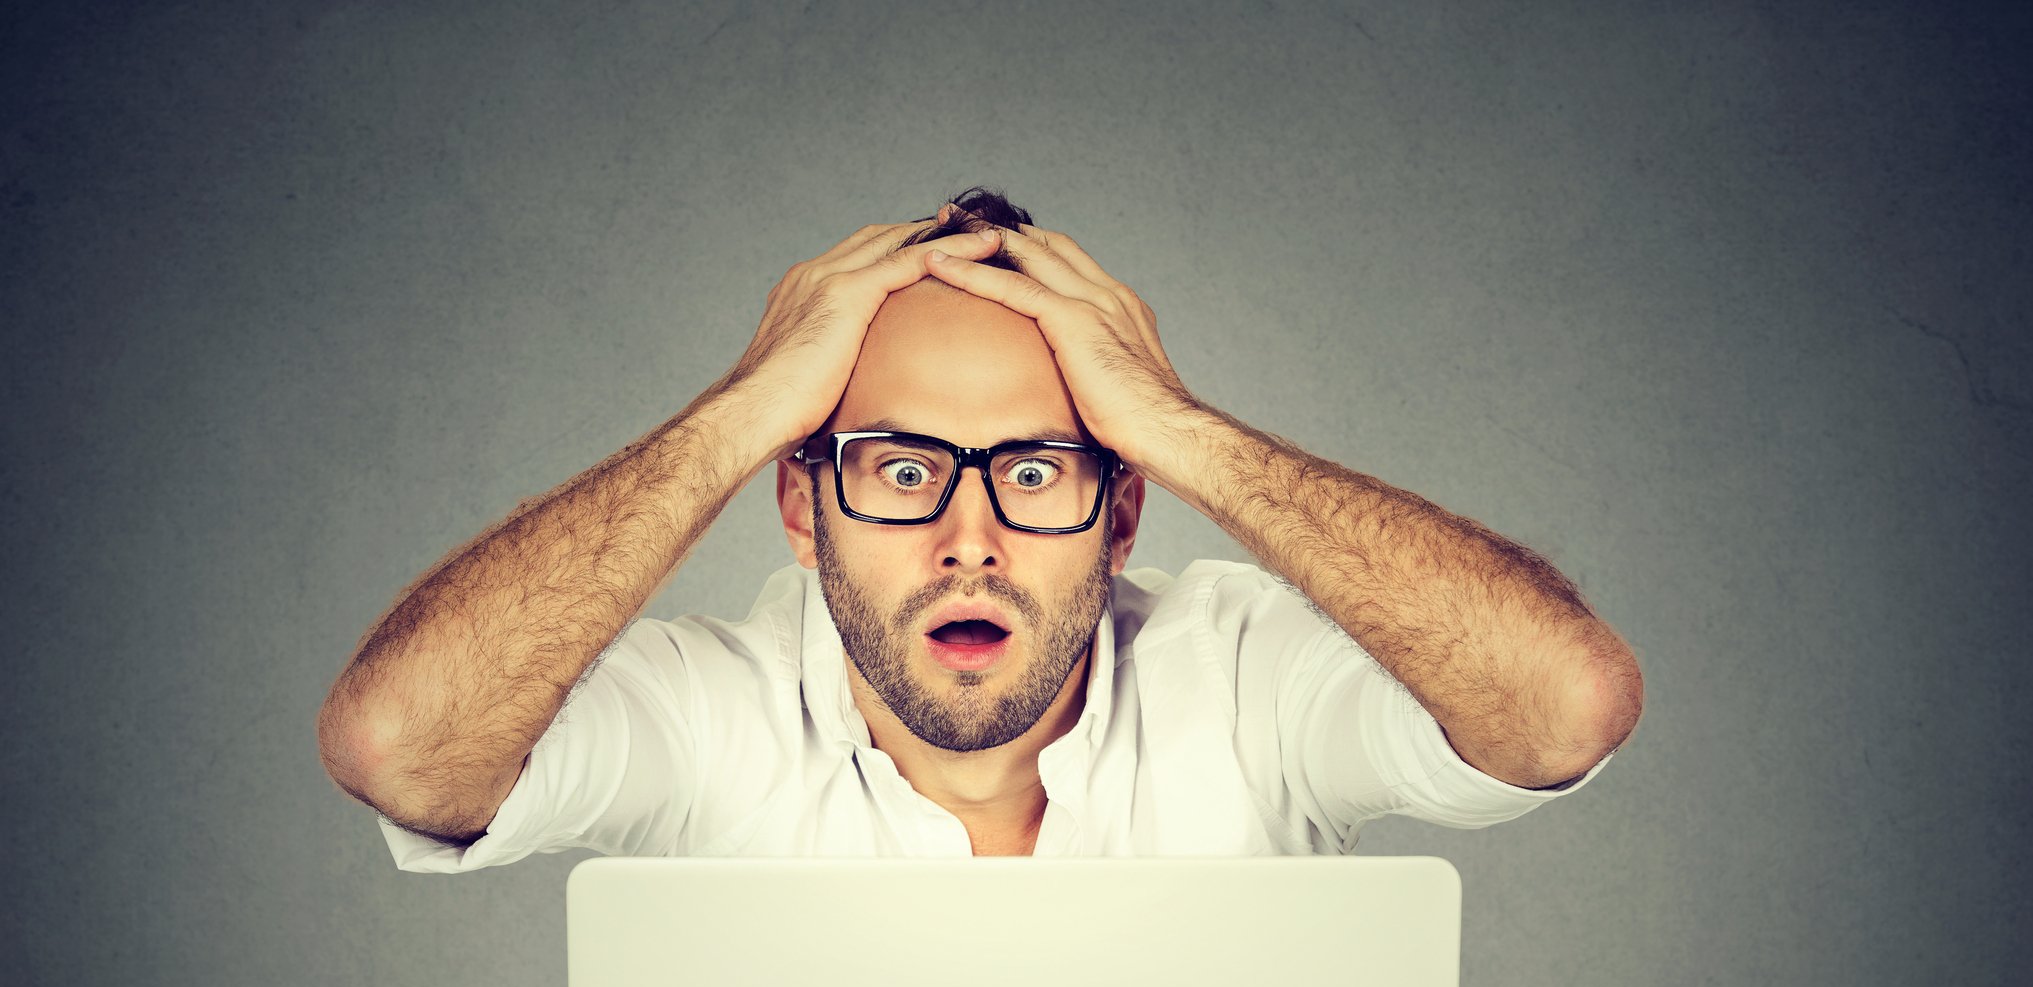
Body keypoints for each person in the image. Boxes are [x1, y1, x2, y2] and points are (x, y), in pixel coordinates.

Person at [316, 188, 1643, 868]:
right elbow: (399, 746)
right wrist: (732, 415)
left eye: (1036, 469)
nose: (968, 539)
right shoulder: (710, 715)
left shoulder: (1242, 682)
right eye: (898, 469)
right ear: (799, 502)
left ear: (1122, 512)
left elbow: (1563, 705)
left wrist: (1180, 429)